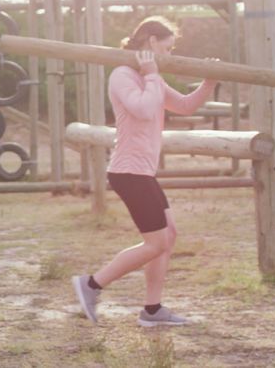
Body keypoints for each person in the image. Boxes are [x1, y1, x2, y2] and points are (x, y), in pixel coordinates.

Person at [72, 16, 217, 327]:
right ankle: (91, 285)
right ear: (151, 41)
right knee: (156, 243)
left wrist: (209, 82)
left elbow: (185, 106)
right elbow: (143, 109)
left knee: (169, 235)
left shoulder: (152, 77)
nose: (170, 53)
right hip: (127, 172)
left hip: (142, 172)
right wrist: (152, 75)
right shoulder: (123, 75)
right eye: (167, 47)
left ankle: (152, 310)